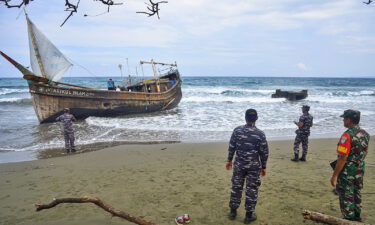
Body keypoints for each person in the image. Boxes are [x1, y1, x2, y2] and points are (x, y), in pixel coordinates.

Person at [226, 109, 269, 224]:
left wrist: (229, 160)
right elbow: (264, 152)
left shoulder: (237, 131)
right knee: (252, 188)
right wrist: (264, 167)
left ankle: (233, 212)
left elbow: (232, 146)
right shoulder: (260, 134)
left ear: (245, 118)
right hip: (254, 166)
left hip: (239, 164)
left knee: (236, 187)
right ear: (256, 119)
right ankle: (249, 215)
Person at [330, 109, 370, 221]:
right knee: (356, 192)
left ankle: (349, 219)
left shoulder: (346, 136)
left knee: (346, 195)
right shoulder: (365, 134)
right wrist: (357, 162)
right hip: (359, 168)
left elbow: (342, 158)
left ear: (349, 120)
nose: (343, 120)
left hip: (348, 170)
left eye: (344, 118)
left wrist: (335, 175)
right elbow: (365, 152)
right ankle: (357, 216)